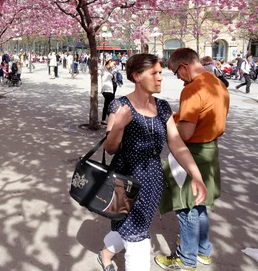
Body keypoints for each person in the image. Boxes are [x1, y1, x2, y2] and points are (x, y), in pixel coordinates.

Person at [96, 53, 207, 271]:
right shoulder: (120, 105)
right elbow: (109, 149)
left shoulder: (163, 107)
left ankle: (105, 254)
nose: (160, 77)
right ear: (136, 76)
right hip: (124, 183)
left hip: (152, 182)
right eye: (154, 73)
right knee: (137, 239)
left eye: (160, 72)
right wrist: (119, 125)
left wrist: (196, 175)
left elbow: (176, 144)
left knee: (130, 228)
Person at [155, 48, 230, 271]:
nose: (177, 77)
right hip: (209, 150)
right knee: (200, 204)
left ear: (184, 66)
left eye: (175, 72)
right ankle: (203, 251)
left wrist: (168, 126)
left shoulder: (192, 89)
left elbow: (185, 134)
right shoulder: (217, 82)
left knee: (185, 206)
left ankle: (186, 259)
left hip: (191, 152)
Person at [99, 59, 117, 125]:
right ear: (110, 61)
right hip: (106, 89)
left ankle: (104, 119)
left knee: (107, 104)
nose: (114, 66)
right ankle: (112, 119)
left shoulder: (110, 70)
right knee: (110, 104)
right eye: (113, 64)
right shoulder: (103, 69)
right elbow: (97, 72)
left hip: (111, 89)